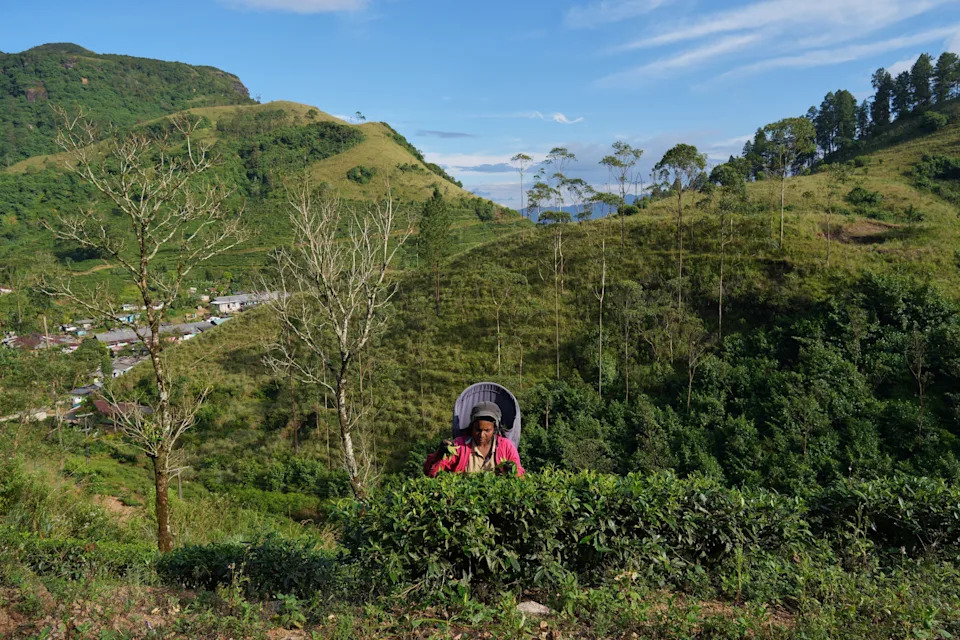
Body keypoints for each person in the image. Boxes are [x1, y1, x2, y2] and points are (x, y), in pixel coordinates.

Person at [423, 401, 525, 477]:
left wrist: (512, 471)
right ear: (472, 427)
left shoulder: (506, 446)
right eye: (478, 430)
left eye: (487, 430)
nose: (481, 435)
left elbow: (520, 476)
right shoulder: (459, 446)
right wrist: (440, 455)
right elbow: (430, 473)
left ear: (494, 429)